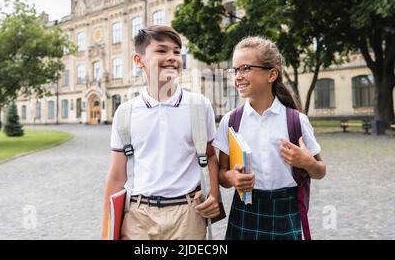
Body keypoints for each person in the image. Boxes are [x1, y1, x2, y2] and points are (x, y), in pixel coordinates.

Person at [101, 25, 221, 240]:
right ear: (139, 61)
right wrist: (106, 231)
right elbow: (117, 176)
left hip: (188, 215)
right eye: (161, 50)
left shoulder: (199, 106)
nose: (172, 57)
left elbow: (210, 155)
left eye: (177, 51)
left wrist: (214, 195)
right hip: (139, 215)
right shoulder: (125, 113)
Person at [213, 36, 326, 240]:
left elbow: (320, 171)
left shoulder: (297, 121)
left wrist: (307, 162)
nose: (237, 76)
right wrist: (232, 177)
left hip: (285, 213)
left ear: (272, 74)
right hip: (245, 212)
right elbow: (222, 173)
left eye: (245, 68)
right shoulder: (230, 121)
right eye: (235, 69)